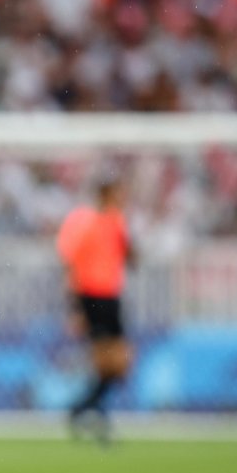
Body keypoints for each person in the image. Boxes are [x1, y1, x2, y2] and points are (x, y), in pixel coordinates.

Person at [56, 176, 134, 444]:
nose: (123, 200)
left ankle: (83, 409)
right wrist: (75, 309)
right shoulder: (84, 222)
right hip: (91, 297)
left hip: (111, 297)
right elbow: (70, 263)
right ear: (106, 195)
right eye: (119, 194)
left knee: (120, 365)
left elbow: (130, 258)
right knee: (104, 363)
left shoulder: (118, 223)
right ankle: (92, 413)